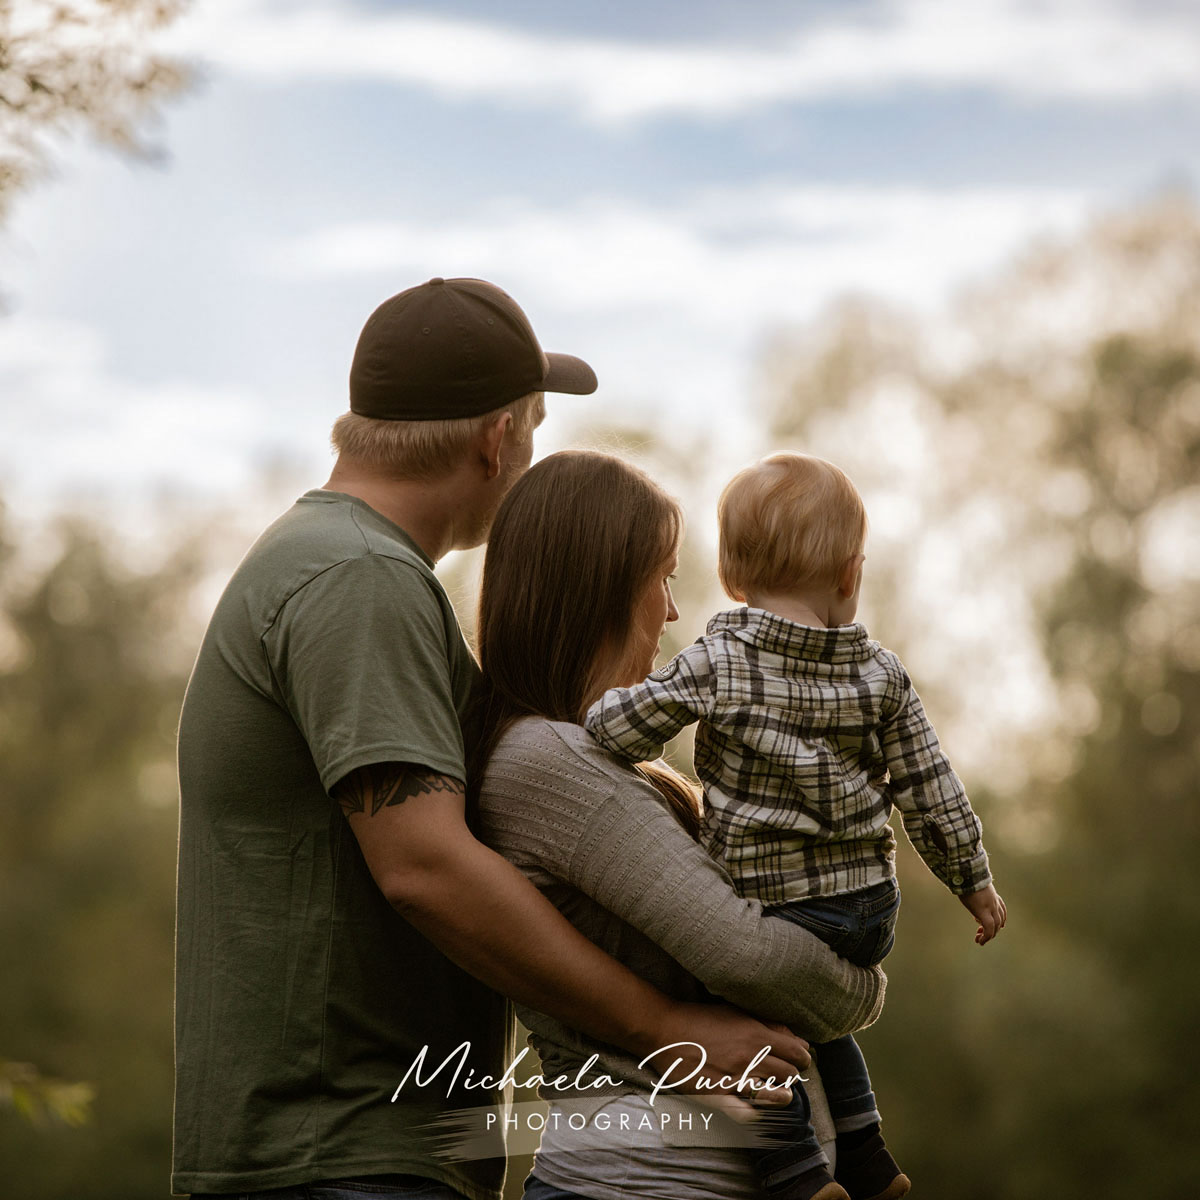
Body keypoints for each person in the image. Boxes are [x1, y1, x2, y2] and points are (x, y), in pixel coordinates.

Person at [172, 280, 823, 1200]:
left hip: (358, 1149)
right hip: (341, 1154)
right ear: (496, 438)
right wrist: (667, 1031)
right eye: (535, 428)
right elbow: (425, 866)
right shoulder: (361, 578)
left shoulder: (346, 565)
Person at [586, 451, 1008, 1200]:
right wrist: (973, 881)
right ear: (849, 574)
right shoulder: (882, 674)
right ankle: (869, 1155)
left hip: (780, 909)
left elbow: (621, 730)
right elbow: (931, 788)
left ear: (730, 575)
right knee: (817, 1018)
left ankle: (793, 1169)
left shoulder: (720, 658)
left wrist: (591, 713)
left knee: (741, 1014)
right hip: (868, 910)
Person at [472, 451, 889, 1200]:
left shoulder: (600, 762)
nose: (671, 611)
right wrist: (863, 989)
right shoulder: (547, 761)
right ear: (601, 588)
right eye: (661, 577)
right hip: (637, 1181)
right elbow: (749, 957)